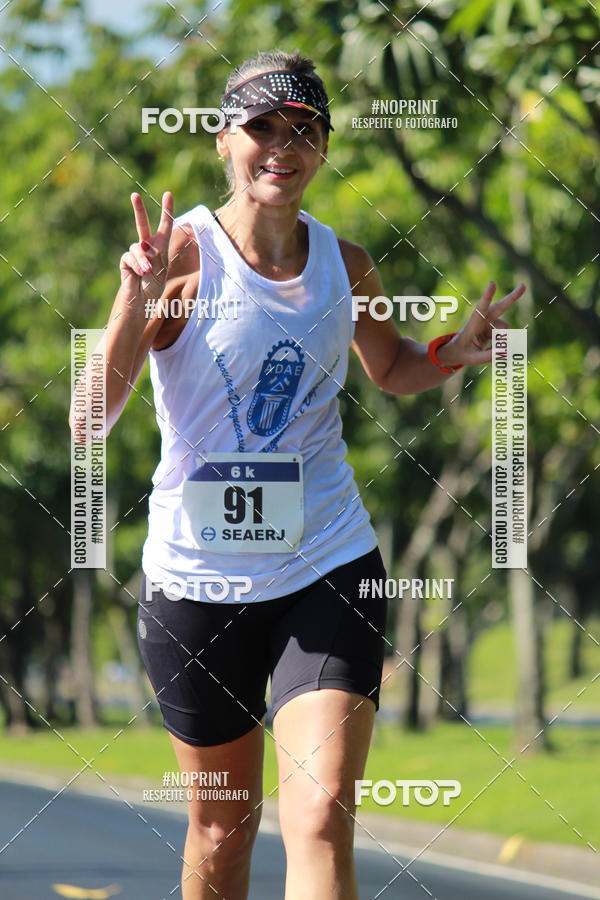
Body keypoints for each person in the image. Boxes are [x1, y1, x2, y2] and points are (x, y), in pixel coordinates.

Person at [88, 49, 525, 900]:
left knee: (320, 814)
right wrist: (128, 308)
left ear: (323, 147)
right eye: (262, 128)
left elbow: (391, 364)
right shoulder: (177, 259)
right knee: (222, 822)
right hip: (197, 580)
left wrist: (453, 352)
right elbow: (88, 417)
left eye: (303, 130)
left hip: (325, 563)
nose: (281, 147)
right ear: (224, 141)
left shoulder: (346, 261)